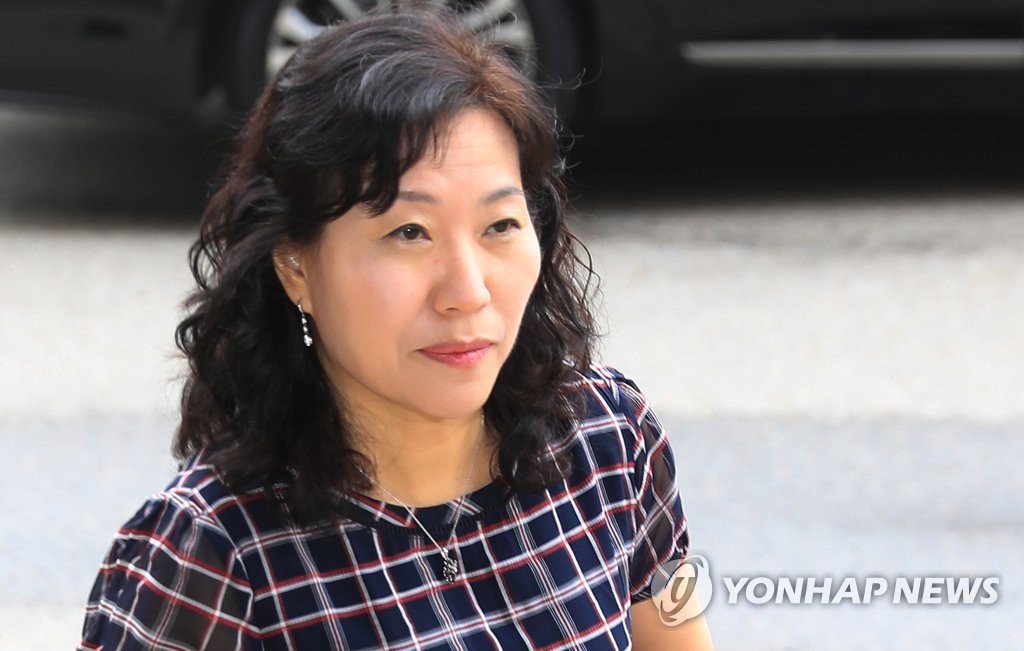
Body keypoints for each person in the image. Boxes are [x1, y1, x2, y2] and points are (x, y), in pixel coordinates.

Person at [78, 9, 713, 650]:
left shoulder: (611, 438)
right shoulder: (213, 559)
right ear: (295, 266)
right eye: (409, 233)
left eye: (500, 226)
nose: (467, 292)